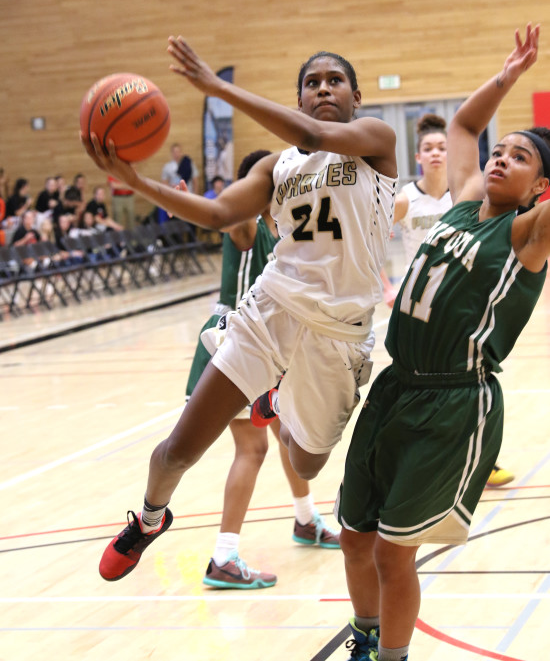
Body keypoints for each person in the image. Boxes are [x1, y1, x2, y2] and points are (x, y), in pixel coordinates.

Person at [82, 38, 397, 583]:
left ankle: (283, 396)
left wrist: (218, 87)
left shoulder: (376, 141)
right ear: (298, 99)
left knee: (305, 463)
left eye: (334, 81)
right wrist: (139, 183)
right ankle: (150, 518)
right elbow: (218, 213)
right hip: (271, 311)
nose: (323, 88)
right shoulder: (279, 166)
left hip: (338, 331)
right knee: (178, 448)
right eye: (312, 82)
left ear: (356, 97)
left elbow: (318, 136)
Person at [336, 24, 549, 661]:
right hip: (397, 386)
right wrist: (507, 76)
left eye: (520, 156)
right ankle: (366, 640)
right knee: (354, 536)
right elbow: (462, 128)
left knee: (394, 552)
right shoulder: (461, 204)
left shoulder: (526, 234)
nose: (500, 156)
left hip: (454, 404)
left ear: (541, 189)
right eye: (501, 149)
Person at [187, 149, 339, 590]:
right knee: (252, 450)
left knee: (289, 435)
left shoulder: (281, 232)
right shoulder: (248, 225)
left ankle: (306, 520)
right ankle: (223, 556)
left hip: (268, 343)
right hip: (233, 338)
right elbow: (226, 216)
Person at [380, 114, 513, 489]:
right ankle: (417, 459)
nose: (437, 153)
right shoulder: (406, 200)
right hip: (419, 310)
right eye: (428, 148)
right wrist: (387, 286)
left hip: (461, 303)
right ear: (418, 156)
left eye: (443, 147)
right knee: (419, 387)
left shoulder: (466, 196)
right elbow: (369, 239)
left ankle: (479, 460)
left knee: (469, 380)